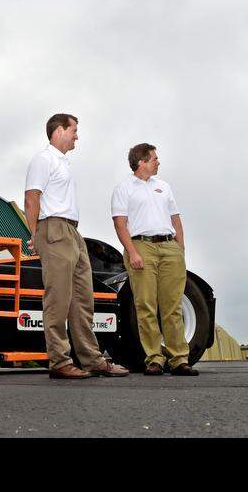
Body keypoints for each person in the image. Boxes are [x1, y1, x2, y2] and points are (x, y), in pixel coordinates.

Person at [24, 113, 129, 379]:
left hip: (72, 231)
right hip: (54, 229)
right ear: (59, 130)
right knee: (58, 298)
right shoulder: (43, 159)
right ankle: (59, 361)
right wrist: (34, 234)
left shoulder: (62, 162)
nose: (77, 136)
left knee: (83, 299)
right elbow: (31, 198)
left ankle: (92, 359)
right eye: (74, 130)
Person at [111, 143, 198, 376]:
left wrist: (180, 248)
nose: (158, 162)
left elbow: (175, 218)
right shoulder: (123, 188)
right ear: (141, 161)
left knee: (172, 305)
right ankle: (154, 358)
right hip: (141, 246)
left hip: (169, 247)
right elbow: (120, 223)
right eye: (154, 158)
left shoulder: (164, 187)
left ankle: (179, 359)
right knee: (146, 305)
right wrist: (133, 252)